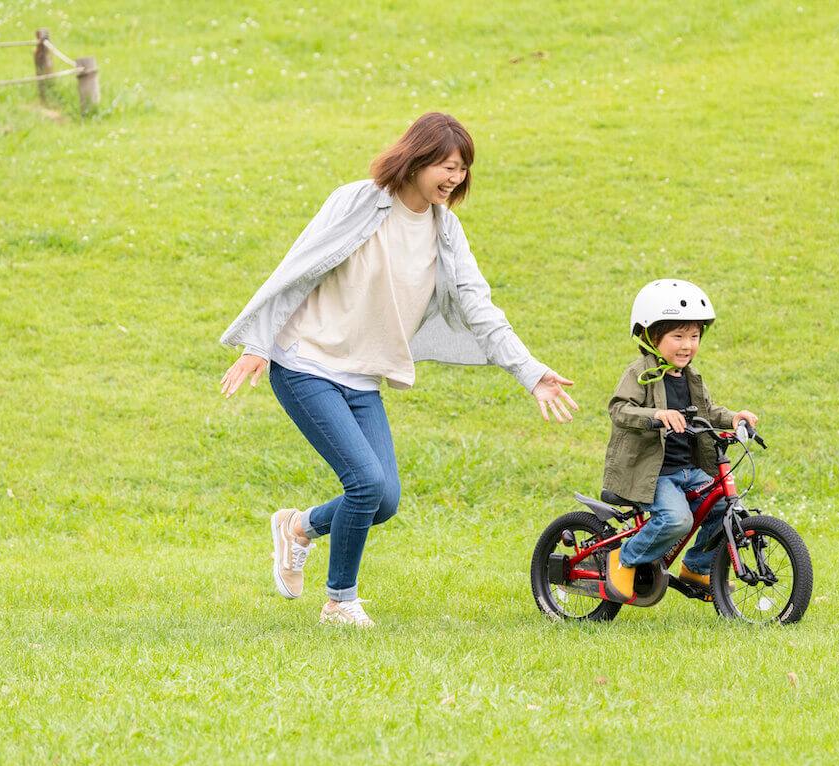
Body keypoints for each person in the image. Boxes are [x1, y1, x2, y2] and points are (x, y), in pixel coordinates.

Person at [218, 112, 578, 627]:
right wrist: (258, 343)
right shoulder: (359, 201)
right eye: (447, 166)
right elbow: (300, 267)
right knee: (364, 482)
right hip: (306, 362)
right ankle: (340, 602)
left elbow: (479, 307)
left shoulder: (444, 230)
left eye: (462, 169)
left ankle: (299, 527)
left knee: (382, 500)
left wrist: (530, 371)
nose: (455, 178)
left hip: (362, 377)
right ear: (416, 157)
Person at [601, 279, 757, 603]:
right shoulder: (640, 373)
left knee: (726, 507)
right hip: (653, 474)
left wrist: (734, 418)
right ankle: (624, 557)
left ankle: (696, 567)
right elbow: (619, 409)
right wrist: (656, 414)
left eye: (694, 336)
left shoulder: (690, 376)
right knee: (677, 518)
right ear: (650, 336)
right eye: (678, 336)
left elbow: (708, 411)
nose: (687, 345)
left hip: (687, 470)